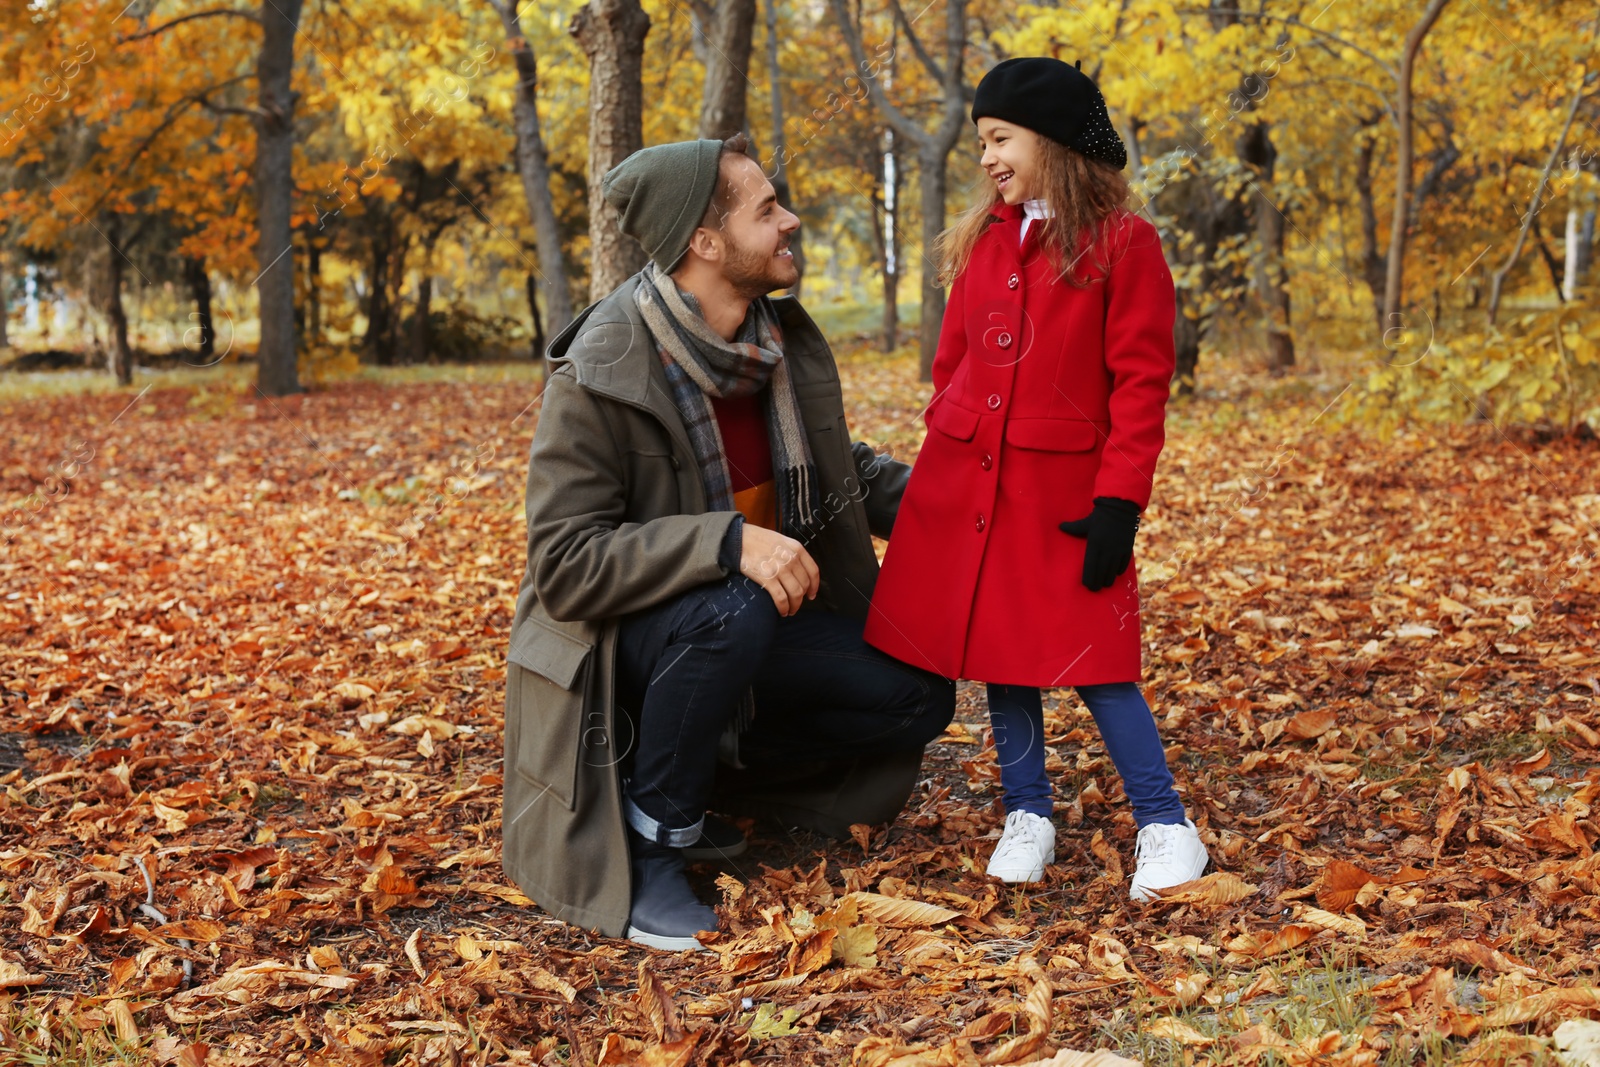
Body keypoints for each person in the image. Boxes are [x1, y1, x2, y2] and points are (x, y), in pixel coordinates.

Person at [503, 134, 956, 951]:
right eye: (766, 210)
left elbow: (835, 469)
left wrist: (960, 503)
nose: (790, 220)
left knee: (918, 693)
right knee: (732, 608)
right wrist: (726, 542)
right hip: (628, 645)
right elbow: (565, 564)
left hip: (745, 614)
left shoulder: (769, 344)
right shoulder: (602, 366)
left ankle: (716, 783)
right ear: (706, 244)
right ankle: (649, 852)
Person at [862, 57, 1209, 897]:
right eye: (982, 140)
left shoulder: (1125, 243)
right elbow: (954, 361)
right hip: (974, 484)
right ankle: (1029, 809)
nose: (986, 156)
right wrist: (953, 437)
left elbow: (1140, 383)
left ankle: (1166, 823)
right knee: (1001, 656)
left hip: (1065, 496)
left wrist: (1119, 500)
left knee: (1097, 657)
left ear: (1051, 142)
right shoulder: (986, 239)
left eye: (1001, 138)